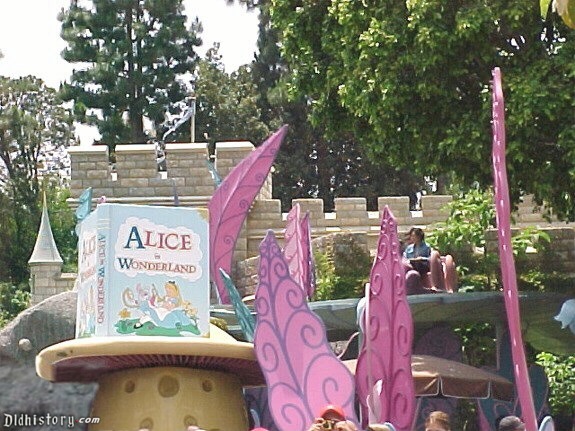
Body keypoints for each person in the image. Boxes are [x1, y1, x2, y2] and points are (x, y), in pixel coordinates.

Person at [402, 228, 458, 294]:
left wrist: (422, 258)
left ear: (419, 237)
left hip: (423, 265)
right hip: (412, 264)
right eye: (412, 236)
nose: (413, 238)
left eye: (414, 236)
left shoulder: (426, 247)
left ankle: (434, 286)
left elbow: (430, 258)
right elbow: (405, 257)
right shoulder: (409, 248)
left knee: (418, 265)